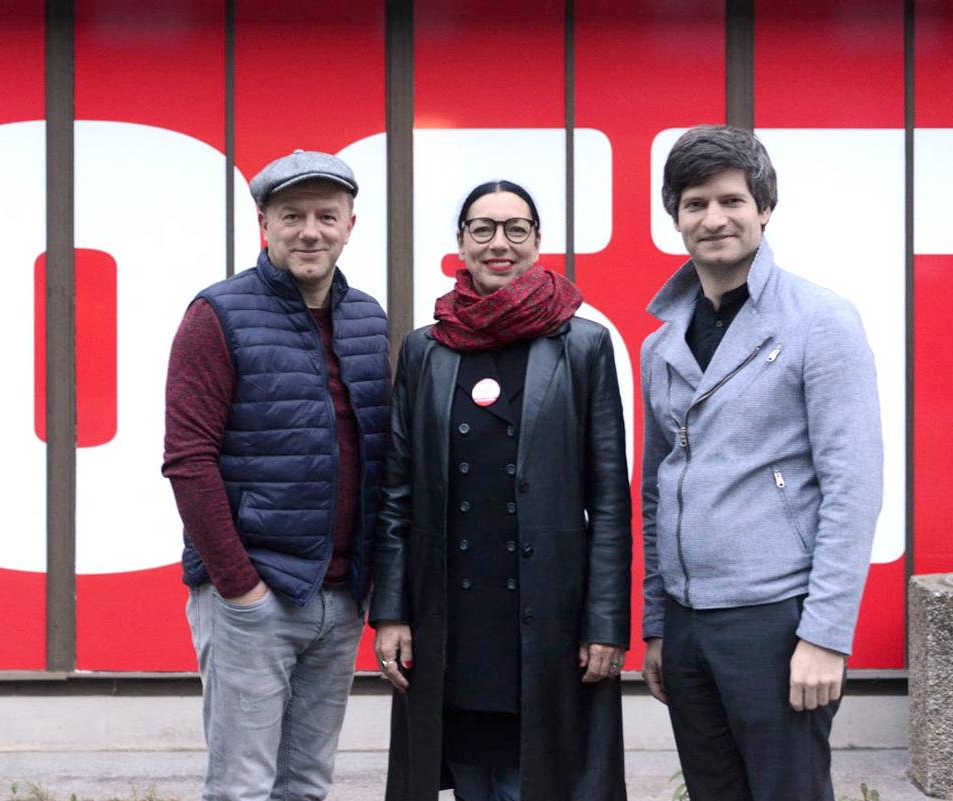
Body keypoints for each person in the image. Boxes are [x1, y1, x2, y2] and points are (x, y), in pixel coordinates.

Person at [640, 125, 884, 801]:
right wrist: (657, 623)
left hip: (777, 620)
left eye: (731, 200)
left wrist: (826, 636)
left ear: (764, 207)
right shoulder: (661, 344)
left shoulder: (820, 321)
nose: (713, 218)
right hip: (687, 624)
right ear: (675, 217)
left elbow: (852, 487)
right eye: (695, 204)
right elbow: (658, 491)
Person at [371, 180, 631, 801]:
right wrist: (391, 612)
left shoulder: (582, 345)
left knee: (533, 779)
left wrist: (605, 622)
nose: (499, 243)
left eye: (516, 229)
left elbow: (609, 501)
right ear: (460, 243)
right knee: (466, 772)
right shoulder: (425, 350)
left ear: (537, 242)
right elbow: (397, 492)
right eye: (482, 228)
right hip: (452, 619)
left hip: (546, 616)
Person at [161, 149, 391, 801]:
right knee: (243, 787)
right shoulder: (218, 315)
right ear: (264, 224)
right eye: (292, 216)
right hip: (253, 598)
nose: (310, 231)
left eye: (326, 215)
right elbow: (188, 458)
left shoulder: (367, 318)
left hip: (340, 597)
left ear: (350, 225)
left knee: (307, 784)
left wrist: (369, 587)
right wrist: (241, 587)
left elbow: (379, 453)